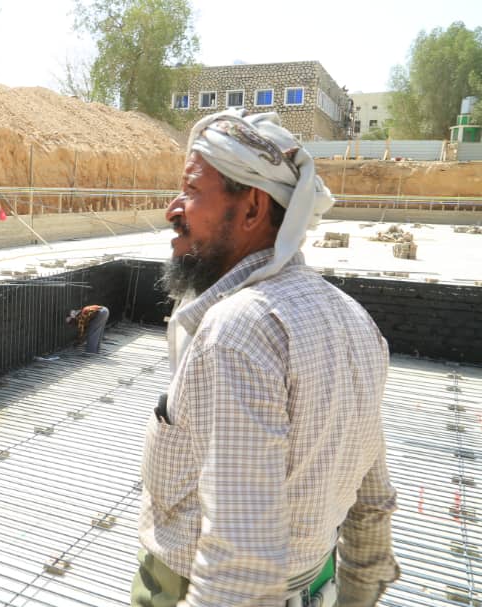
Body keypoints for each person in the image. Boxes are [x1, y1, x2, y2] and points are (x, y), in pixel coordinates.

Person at [135, 109, 399, 607]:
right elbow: (372, 496)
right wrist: (359, 594)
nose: (173, 208)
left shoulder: (238, 330)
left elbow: (239, 564)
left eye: (191, 190)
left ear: (253, 209)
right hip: (316, 583)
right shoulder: (355, 318)